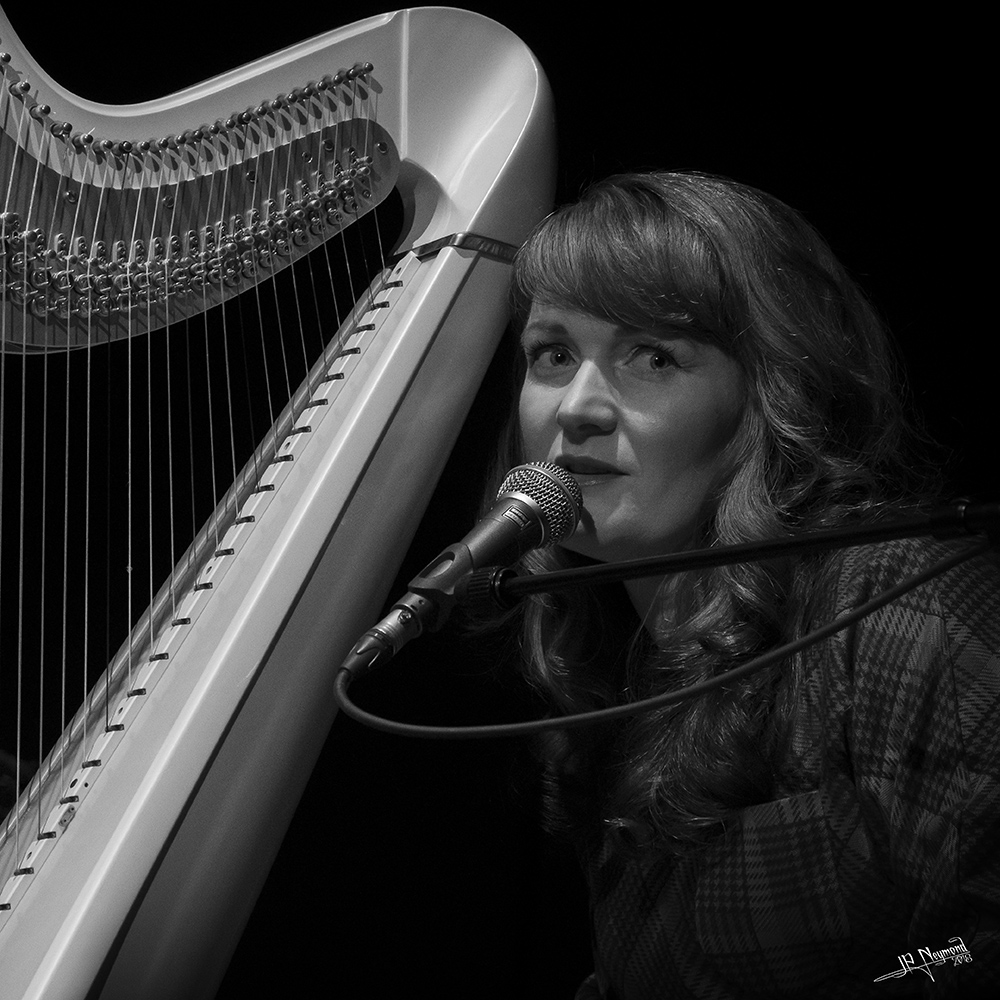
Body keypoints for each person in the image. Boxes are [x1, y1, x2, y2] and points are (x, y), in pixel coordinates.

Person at [479, 172, 999, 998]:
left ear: (769, 394)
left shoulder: (899, 600)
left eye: (653, 357)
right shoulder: (603, 662)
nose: (577, 407)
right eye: (554, 354)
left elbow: (975, 952)